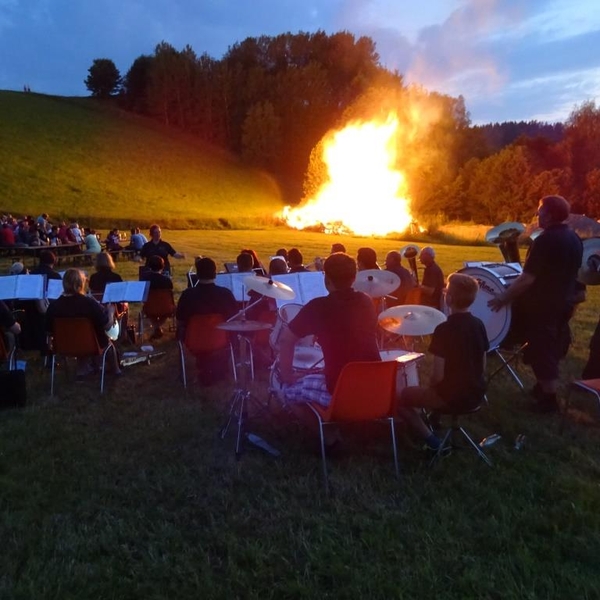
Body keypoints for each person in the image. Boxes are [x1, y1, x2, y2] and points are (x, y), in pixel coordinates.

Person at [489, 195, 583, 412]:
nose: (537, 214)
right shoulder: (574, 238)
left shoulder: (545, 240)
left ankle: (549, 401)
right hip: (563, 303)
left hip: (542, 305)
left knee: (542, 351)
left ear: (549, 215)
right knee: (550, 346)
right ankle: (542, 388)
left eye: (540, 210)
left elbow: (527, 278)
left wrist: (504, 297)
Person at [278, 252, 380, 408]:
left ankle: (328, 431)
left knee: (286, 390)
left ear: (326, 280)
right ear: (354, 278)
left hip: (340, 389)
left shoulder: (318, 307)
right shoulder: (366, 301)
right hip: (374, 384)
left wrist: (287, 375)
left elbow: (286, 339)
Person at [398, 273, 489, 449]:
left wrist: (430, 391)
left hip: (451, 396)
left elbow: (437, 376)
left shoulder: (444, 330)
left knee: (402, 397)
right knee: (434, 392)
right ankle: (434, 419)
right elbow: (482, 365)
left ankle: (433, 443)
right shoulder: (479, 324)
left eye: (446, 290)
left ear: (450, 298)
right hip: (476, 394)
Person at [45, 269, 120, 377]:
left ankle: (83, 369)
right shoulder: (89, 303)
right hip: (90, 345)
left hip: (63, 346)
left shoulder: (53, 307)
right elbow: (107, 326)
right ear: (81, 283)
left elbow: (48, 331)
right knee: (107, 342)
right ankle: (116, 371)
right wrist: (111, 313)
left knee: (78, 337)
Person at [176, 257, 238, 385]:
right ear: (215, 274)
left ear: (197, 275)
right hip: (221, 340)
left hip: (194, 340)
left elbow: (180, 321)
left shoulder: (187, 295)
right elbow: (235, 319)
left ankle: (207, 365)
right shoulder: (225, 294)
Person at [140, 255, 173, 339]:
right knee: (165, 313)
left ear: (149, 266)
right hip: (166, 308)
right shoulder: (167, 280)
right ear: (162, 266)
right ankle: (157, 327)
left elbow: (142, 295)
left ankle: (156, 328)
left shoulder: (144, 279)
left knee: (151, 312)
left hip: (149, 308)